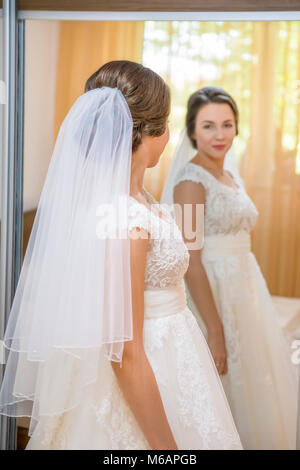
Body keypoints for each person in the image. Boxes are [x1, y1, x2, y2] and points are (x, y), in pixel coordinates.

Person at [0, 64, 242, 450]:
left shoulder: (139, 199)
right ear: (152, 132)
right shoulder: (124, 220)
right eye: (165, 126)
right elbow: (125, 353)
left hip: (174, 359)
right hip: (149, 368)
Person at [161, 86, 299, 450]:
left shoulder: (228, 174)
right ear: (191, 131)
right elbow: (188, 258)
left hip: (243, 289)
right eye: (208, 126)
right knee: (221, 382)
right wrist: (215, 328)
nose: (219, 135)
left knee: (251, 382)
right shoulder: (191, 181)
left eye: (227, 124)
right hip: (212, 294)